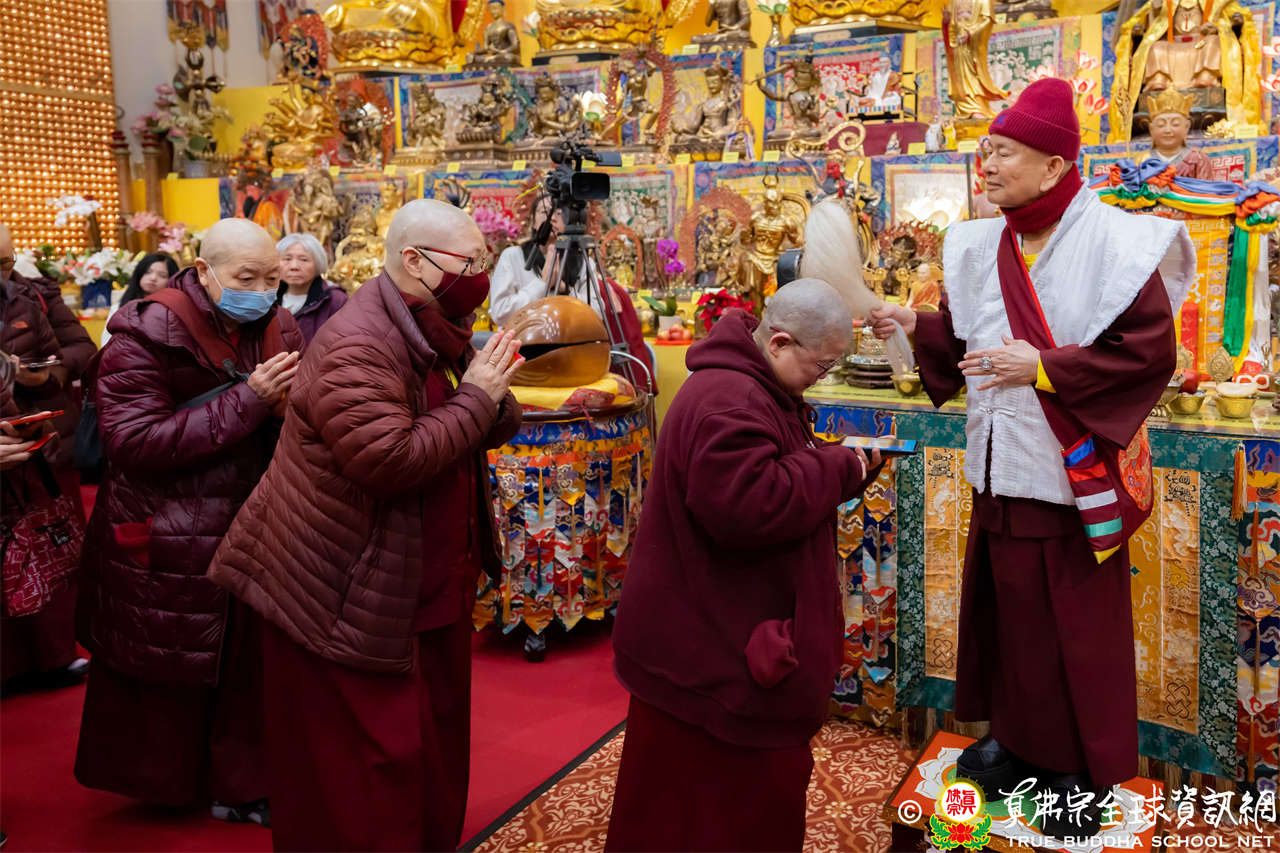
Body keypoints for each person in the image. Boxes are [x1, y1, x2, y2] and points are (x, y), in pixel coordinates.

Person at [870, 78, 1194, 838]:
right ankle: (1017, 744)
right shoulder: (979, 243)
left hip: (1069, 474)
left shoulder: (1116, 241)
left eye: (1004, 153)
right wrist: (910, 322)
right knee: (1008, 616)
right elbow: (964, 344)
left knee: (1074, 630)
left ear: (1053, 166)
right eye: (985, 150)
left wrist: (1045, 367)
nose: (986, 164)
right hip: (999, 463)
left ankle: (1079, 769)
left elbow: (1148, 354)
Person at [208, 199, 523, 852]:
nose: (480, 278)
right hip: (346, 580)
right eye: (470, 264)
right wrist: (478, 396)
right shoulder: (358, 342)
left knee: (432, 744)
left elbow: (483, 416)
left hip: (421, 570)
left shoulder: (433, 321)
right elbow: (389, 460)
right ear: (415, 261)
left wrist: (489, 394)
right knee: (367, 768)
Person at [606, 279, 881, 852]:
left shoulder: (752, 384)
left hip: (709, 635)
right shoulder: (729, 400)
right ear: (778, 342)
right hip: (709, 651)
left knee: (692, 808)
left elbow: (776, 471)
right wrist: (840, 467)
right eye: (821, 365)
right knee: (712, 814)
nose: (822, 378)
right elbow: (749, 506)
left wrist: (838, 462)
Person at [74, 218, 304, 824]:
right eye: (246, 278)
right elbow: (134, 441)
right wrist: (250, 400)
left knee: (251, 665)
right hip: (171, 523)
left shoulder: (278, 324)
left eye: (272, 279)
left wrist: (290, 407)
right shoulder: (144, 333)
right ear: (203, 271)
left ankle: (244, 782)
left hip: (256, 516)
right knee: (174, 664)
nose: (262, 292)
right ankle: (180, 784)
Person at [0, 229, 91, 689]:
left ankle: (55, 654)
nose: (2, 273)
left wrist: (41, 375)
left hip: (39, 439)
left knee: (48, 549)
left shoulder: (31, 294)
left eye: (6, 262)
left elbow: (80, 349)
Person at [275, 232, 348, 342]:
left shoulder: (335, 300)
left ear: (318, 264)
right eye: (287, 259)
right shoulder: (268, 297)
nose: (294, 266)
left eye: (304, 259)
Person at [99, 253, 179, 348]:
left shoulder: (172, 310)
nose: (153, 278)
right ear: (139, 273)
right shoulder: (119, 307)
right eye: (148, 272)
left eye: (162, 275)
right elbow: (106, 343)